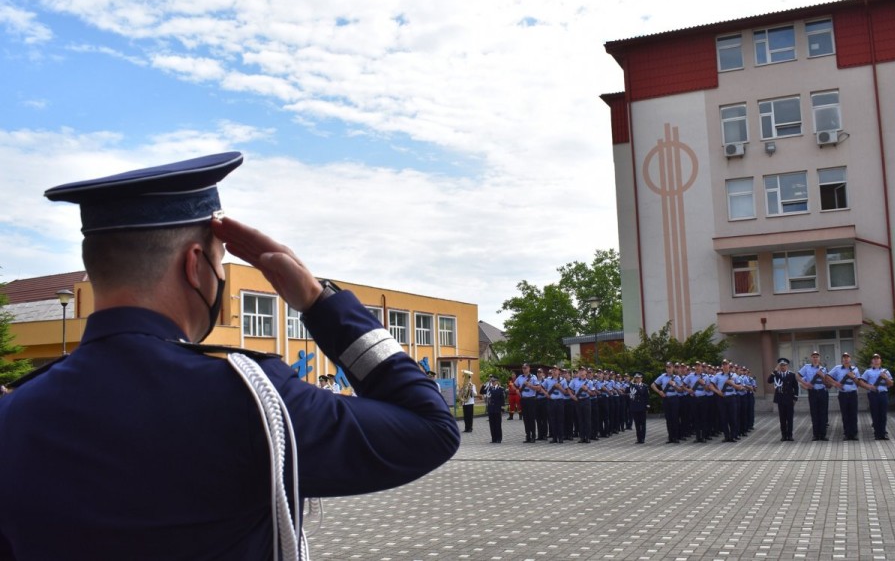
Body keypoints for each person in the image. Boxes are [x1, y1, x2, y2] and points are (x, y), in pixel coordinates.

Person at [0, 152, 460, 560]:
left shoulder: (15, 411)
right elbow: (431, 428)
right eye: (220, 263)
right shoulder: (251, 399)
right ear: (195, 265)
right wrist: (321, 303)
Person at [858, 354, 894, 440]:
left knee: (883, 414)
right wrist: (869, 387)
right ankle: (877, 433)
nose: (876, 360)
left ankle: (883, 433)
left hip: (883, 394)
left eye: (878, 358)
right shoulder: (868, 371)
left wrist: (886, 378)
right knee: (875, 414)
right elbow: (860, 382)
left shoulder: (886, 371)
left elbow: (891, 384)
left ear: (880, 360)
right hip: (873, 394)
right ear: (872, 361)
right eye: (874, 359)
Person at [797, 351, 830, 441]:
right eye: (814, 357)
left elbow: (828, 383)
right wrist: (806, 384)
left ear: (819, 359)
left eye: (817, 357)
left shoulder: (824, 369)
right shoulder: (806, 367)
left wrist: (822, 375)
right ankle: (815, 435)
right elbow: (798, 377)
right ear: (811, 358)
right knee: (814, 413)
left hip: (822, 392)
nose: (815, 358)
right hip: (813, 392)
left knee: (823, 413)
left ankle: (823, 435)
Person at [828, 353, 860, 441]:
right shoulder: (837, 368)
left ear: (850, 359)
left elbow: (858, 383)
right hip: (843, 394)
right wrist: (836, 384)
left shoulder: (855, 369)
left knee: (853, 414)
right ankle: (847, 434)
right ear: (842, 359)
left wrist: (853, 377)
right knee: (845, 415)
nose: (846, 359)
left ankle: (854, 434)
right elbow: (827, 376)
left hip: (853, 394)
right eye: (844, 357)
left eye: (847, 357)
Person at [768, 358, 799, 441]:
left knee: (790, 418)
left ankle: (790, 435)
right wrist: (774, 371)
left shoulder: (791, 375)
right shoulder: (776, 374)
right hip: (780, 399)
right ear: (779, 366)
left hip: (789, 400)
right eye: (781, 365)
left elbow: (795, 387)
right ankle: (784, 435)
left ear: (787, 366)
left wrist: (795, 398)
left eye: (784, 365)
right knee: (782, 419)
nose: (782, 367)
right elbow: (769, 380)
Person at [652, 362, 681, 443]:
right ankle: (670, 437)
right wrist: (659, 391)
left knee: (675, 418)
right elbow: (653, 385)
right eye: (667, 367)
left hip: (674, 399)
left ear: (673, 368)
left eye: (670, 367)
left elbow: (681, 389)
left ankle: (676, 437)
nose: (668, 368)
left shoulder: (676, 377)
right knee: (668, 418)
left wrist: (674, 385)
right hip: (666, 399)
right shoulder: (662, 376)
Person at [515, 363, 539, 443]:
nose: (524, 369)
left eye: (525, 368)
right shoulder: (520, 377)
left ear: (529, 368)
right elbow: (514, 385)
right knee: (525, 418)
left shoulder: (533, 377)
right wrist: (517, 390)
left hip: (531, 399)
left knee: (531, 418)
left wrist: (529, 385)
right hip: (523, 399)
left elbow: (538, 388)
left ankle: (533, 436)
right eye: (523, 368)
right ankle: (527, 436)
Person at [483, 375, 506, 443]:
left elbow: (502, 400)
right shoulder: (489, 388)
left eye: (494, 381)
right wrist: (485, 384)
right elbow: (482, 392)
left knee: (498, 424)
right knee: (492, 424)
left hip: (497, 408)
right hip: (491, 408)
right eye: (492, 381)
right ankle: (493, 438)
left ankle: (499, 438)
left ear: (497, 382)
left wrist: (502, 409)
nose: (492, 382)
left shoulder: (500, 389)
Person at [629, 372, 650, 443]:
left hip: (642, 407)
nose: (637, 379)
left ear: (641, 379)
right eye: (636, 378)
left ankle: (643, 438)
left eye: (639, 378)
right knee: (637, 423)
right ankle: (639, 438)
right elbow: (628, 392)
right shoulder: (632, 385)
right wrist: (630, 384)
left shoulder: (645, 386)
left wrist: (647, 405)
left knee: (643, 423)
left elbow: (646, 396)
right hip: (635, 406)